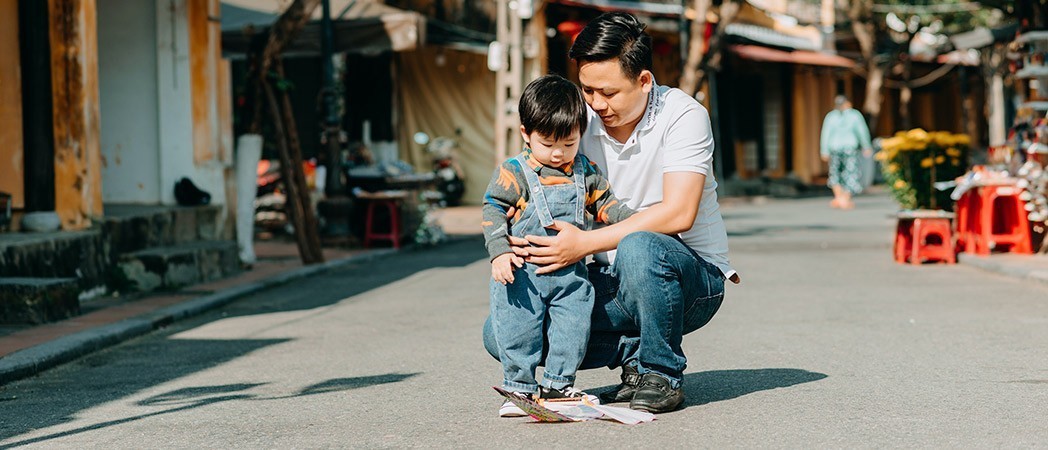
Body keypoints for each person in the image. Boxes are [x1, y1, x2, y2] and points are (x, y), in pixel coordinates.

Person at [482, 12, 738, 414]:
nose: (596, 104)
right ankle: (634, 354)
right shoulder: (579, 121)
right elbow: (528, 176)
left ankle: (662, 372)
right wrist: (513, 242)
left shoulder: (683, 115)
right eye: (587, 90)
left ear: (644, 81)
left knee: (640, 246)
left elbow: (679, 213)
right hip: (608, 278)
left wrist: (583, 243)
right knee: (501, 331)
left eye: (608, 92)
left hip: (690, 279)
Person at [482, 74, 635, 416]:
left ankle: (558, 385)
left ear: (580, 133)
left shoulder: (585, 171)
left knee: (572, 329)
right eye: (547, 143)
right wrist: (499, 252)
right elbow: (493, 208)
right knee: (518, 329)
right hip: (523, 275)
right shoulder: (514, 172)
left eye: (568, 143)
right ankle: (519, 386)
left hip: (571, 277)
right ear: (526, 133)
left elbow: (607, 205)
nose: (557, 153)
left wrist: (639, 221)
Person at [820, 95, 873, 209]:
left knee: (835, 173)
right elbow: (862, 131)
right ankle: (844, 198)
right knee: (850, 172)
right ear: (848, 103)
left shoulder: (831, 116)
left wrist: (824, 150)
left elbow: (826, 134)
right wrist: (866, 145)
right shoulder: (854, 115)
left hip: (835, 148)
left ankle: (839, 197)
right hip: (850, 148)